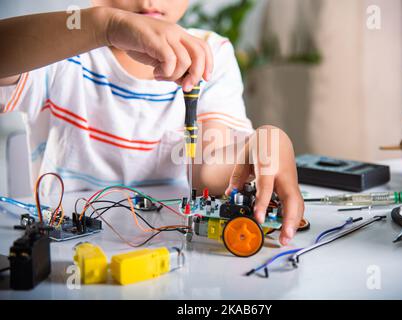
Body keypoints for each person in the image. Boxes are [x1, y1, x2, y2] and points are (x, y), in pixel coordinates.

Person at [0, 0, 304, 246]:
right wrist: (104, 25)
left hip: (172, 252)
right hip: (71, 248)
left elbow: (211, 170)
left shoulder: (212, 53)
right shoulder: (60, 53)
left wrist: (265, 140)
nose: (149, 1)